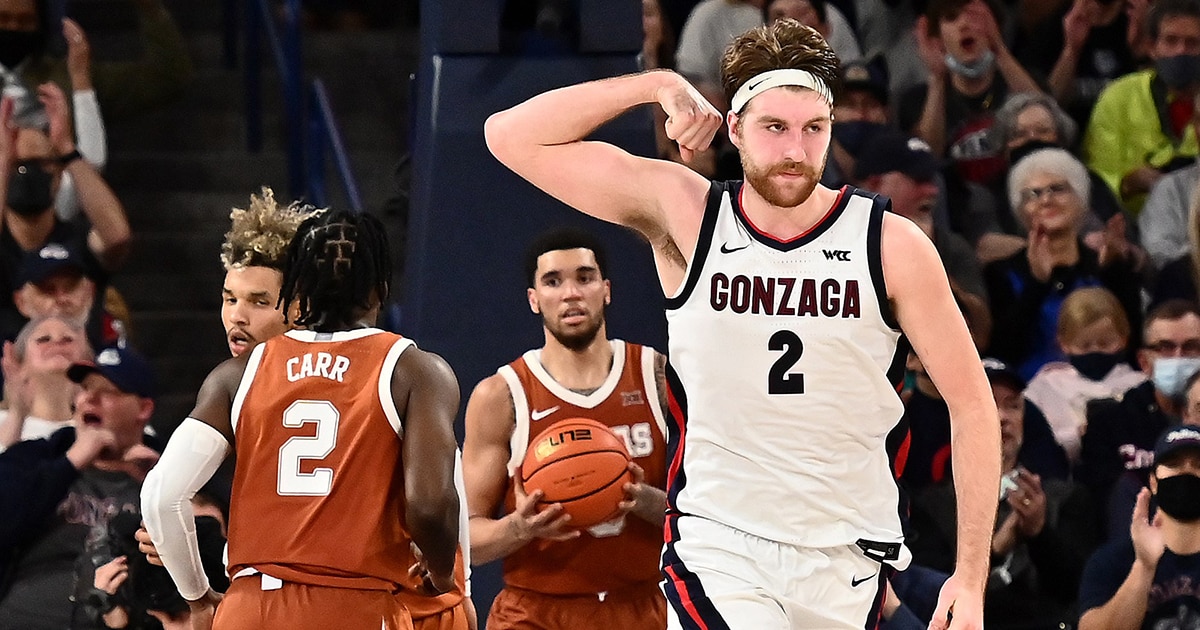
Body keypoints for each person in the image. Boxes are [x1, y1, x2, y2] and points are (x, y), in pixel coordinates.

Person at [485, 17, 1001, 628]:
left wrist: (971, 578)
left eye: (813, 129)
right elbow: (509, 136)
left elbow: (973, 405)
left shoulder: (890, 244)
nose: (795, 151)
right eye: (774, 127)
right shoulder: (688, 212)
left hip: (848, 555)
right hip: (721, 547)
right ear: (734, 128)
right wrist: (655, 85)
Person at [141, 210, 461, 629]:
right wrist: (441, 571)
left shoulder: (236, 374)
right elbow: (430, 505)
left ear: (296, 290)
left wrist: (199, 598)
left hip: (248, 606)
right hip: (351, 604)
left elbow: (161, 496)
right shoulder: (413, 370)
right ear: (381, 289)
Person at [463, 228, 669, 629]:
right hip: (535, 612)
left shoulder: (656, 377)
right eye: (553, 281)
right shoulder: (501, 395)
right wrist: (518, 528)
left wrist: (644, 500)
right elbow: (467, 541)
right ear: (533, 299)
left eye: (584, 278)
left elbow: (710, 514)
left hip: (644, 606)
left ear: (606, 290)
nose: (571, 293)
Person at [908, 358, 1096, 629]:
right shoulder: (931, 505)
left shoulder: (1064, 497)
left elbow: (1079, 590)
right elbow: (928, 596)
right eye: (988, 403)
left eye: (1013, 405)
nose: (1003, 416)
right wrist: (994, 549)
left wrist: (1039, 534)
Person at [0, 345, 160, 630]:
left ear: (143, 409)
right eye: (85, 388)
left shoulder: (166, 472)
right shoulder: (36, 458)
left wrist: (164, 485)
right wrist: (71, 462)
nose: (90, 398)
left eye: (108, 391)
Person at [983, 147, 1143, 380]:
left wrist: (1115, 273)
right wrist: (1036, 285)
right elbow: (1002, 353)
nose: (1046, 200)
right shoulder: (1000, 273)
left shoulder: (1105, 266)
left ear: (1081, 199)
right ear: (1020, 209)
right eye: (1033, 194)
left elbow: (1132, 342)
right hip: (1029, 392)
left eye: (1057, 189)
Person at [1079, 299, 1200, 525]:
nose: (1179, 357)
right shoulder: (1109, 424)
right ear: (1144, 362)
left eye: (1191, 347)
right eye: (1165, 347)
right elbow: (1104, 507)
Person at [1077, 424, 1200, 629]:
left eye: (1198, 465)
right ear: (1153, 482)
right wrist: (1144, 566)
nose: (1187, 472)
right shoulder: (1111, 561)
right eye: (1174, 464)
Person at [1083, 0, 1200, 215]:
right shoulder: (1118, 97)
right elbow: (1097, 177)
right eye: (1171, 41)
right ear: (1152, 47)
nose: (1181, 51)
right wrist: (1128, 183)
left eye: (1192, 43)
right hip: (1131, 222)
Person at [1023, 287, 1147, 465]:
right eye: (1085, 346)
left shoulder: (1140, 385)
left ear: (1123, 339)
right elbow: (1034, 441)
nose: (1095, 351)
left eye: (1104, 344)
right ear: (1064, 343)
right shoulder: (1044, 386)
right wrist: (1075, 436)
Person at [0, 314, 90, 449]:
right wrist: (17, 415)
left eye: (68, 339)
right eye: (44, 339)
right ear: (19, 363)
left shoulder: (95, 425)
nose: (57, 342)